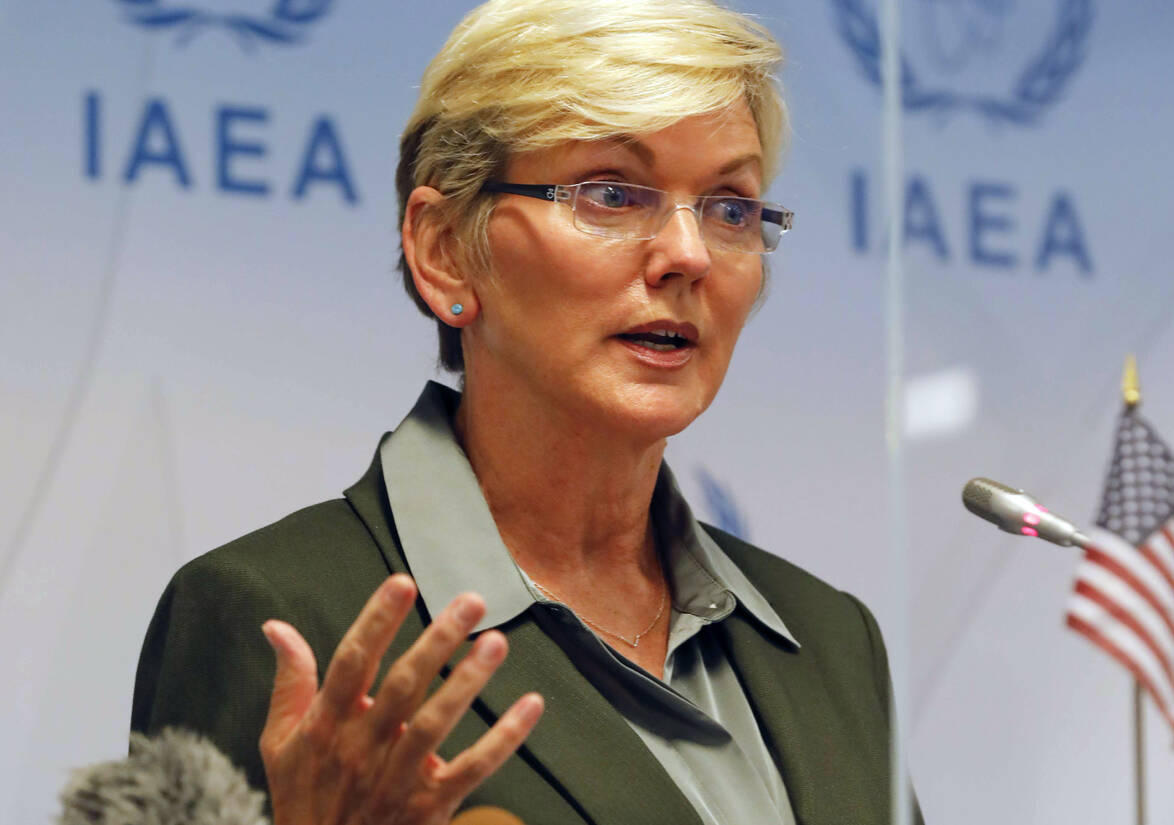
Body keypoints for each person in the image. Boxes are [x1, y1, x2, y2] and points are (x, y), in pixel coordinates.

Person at [132, 1, 921, 823]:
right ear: (445, 250)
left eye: (730, 208)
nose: (689, 255)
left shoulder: (833, 642)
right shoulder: (278, 617)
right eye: (612, 193)